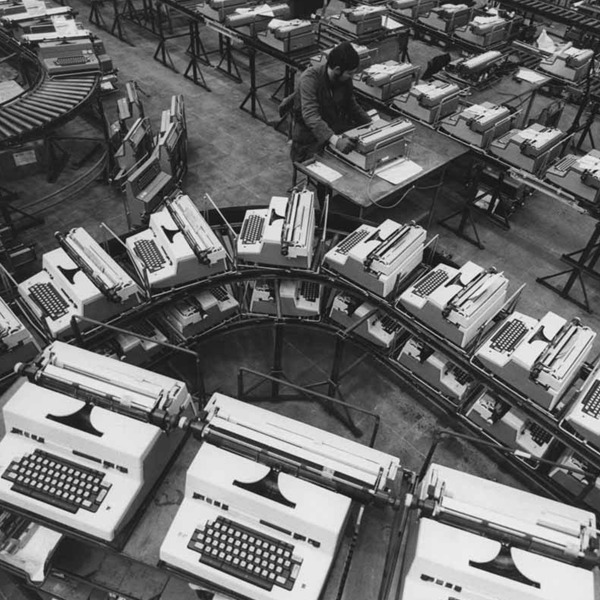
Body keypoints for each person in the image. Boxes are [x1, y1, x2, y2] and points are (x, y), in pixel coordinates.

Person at [290, 41, 371, 164]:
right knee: (325, 173)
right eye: (350, 73)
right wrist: (336, 141)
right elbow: (311, 116)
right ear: (337, 69)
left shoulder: (344, 79)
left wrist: (372, 125)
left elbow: (351, 105)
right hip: (308, 138)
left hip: (332, 129)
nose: (352, 77)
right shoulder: (310, 79)